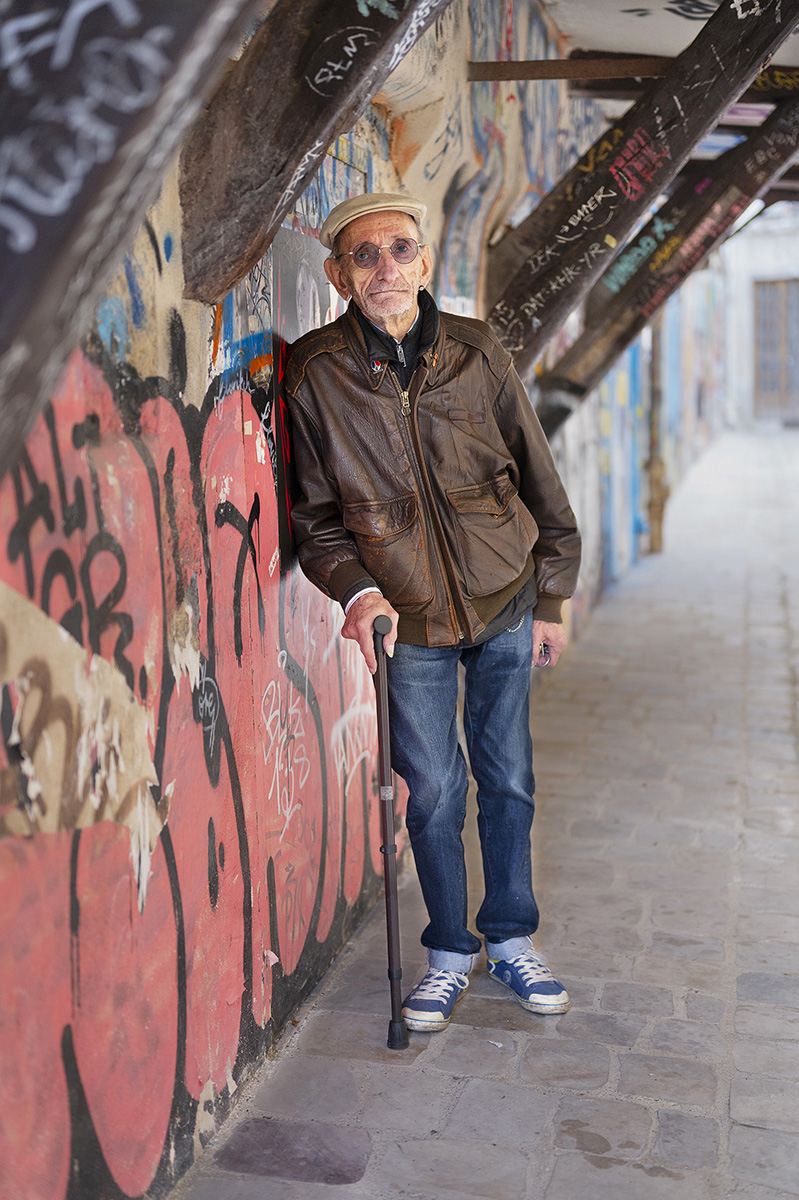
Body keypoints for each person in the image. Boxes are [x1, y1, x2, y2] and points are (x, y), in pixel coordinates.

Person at [284, 192, 581, 1033]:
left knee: (507, 777)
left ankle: (511, 938)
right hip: (405, 618)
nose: (385, 267)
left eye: (400, 249)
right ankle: (449, 951)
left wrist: (551, 597)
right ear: (338, 274)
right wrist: (358, 591)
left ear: (424, 262)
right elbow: (315, 522)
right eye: (364, 254)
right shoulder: (314, 373)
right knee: (434, 792)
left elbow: (537, 477)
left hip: (504, 597)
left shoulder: (477, 350)